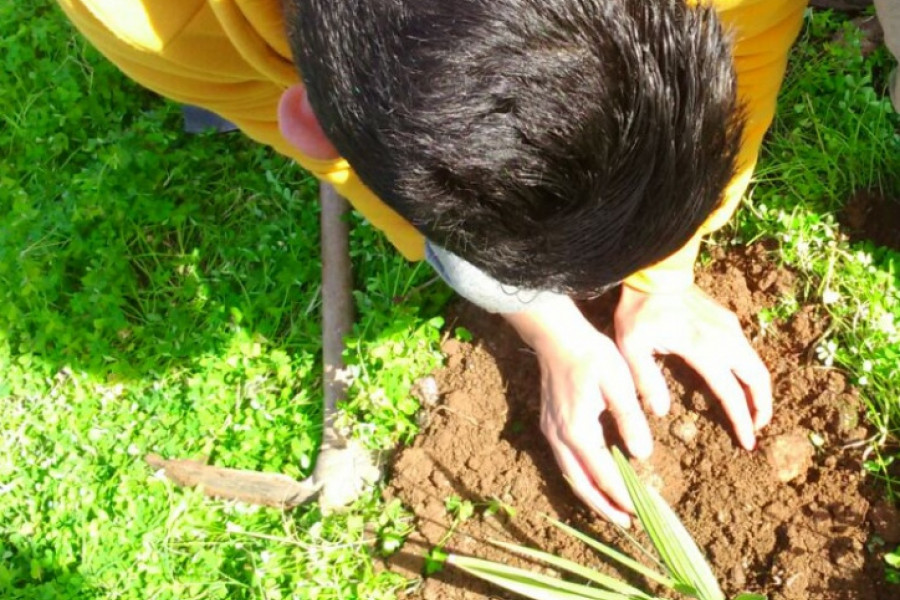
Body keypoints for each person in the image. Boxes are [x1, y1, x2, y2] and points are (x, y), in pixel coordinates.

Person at [58, 0, 813, 526]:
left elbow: (749, 42)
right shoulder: (148, 22)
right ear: (310, 118)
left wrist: (665, 277)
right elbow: (363, 176)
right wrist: (556, 333)